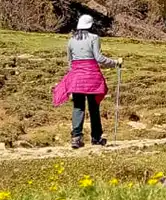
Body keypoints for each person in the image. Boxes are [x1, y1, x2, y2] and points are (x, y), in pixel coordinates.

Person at [52, 15, 122, 149]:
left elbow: (70, 62)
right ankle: (96, 138)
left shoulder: (71, 40)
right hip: (92, 78)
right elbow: (99, 57)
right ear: (90, 25)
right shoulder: (94, 38)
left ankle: (76, 138)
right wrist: (115, 63)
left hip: (77, 78)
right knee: (94, 108)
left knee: (78, 107)